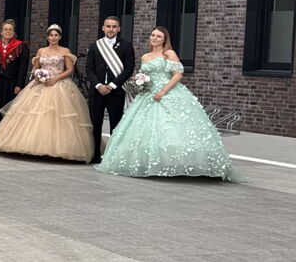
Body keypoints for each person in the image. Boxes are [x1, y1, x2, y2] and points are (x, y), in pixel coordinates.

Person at [95, 27, 244, 182]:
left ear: (164, 39)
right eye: (153, 35)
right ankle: (150, 162)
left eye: (159, 36)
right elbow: (145, 75)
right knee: (144, 130)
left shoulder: (169, 54)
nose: (154, 38)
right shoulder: (145, 56)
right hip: (148, 94)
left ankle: (181, 163)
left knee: (172, 128)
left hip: (168, 92)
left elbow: (177, 75)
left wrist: (163, 91)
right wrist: (140, 83)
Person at [0, 24, 93, 162]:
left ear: (60, 37)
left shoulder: (65, 51)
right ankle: (27, 145)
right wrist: (38, 76)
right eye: (51, 35)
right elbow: (35, 68)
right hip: (41, 84)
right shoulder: (41, 51)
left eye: (56, 35)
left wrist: (55, 78)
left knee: (56, 116)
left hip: (58, 84)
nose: (53, 38)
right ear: (47, 37)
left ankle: (56, 148)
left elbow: (69, 70)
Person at [86, 16, 136, 163]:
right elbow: (89, 69)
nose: (111, 29)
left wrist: (112, 85)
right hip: (97, 91)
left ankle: (112, 156)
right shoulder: (95, 46)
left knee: (116, 124)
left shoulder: (126, 46)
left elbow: (129, 69)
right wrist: (98, 85)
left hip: (116, 92)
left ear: (118, 29)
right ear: (103, 28)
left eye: (114, 26)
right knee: (96, 124)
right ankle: (95, 155)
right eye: (108, 26)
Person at [0, 19, 29, 130]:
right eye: (5, 29)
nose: (8, 32)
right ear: (1, 32)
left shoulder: (21, 46)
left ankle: (8, 132)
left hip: (12, 82)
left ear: (14, 32)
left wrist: (19, 84)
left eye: (10, 30)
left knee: (10, 108)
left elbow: (23, 68)